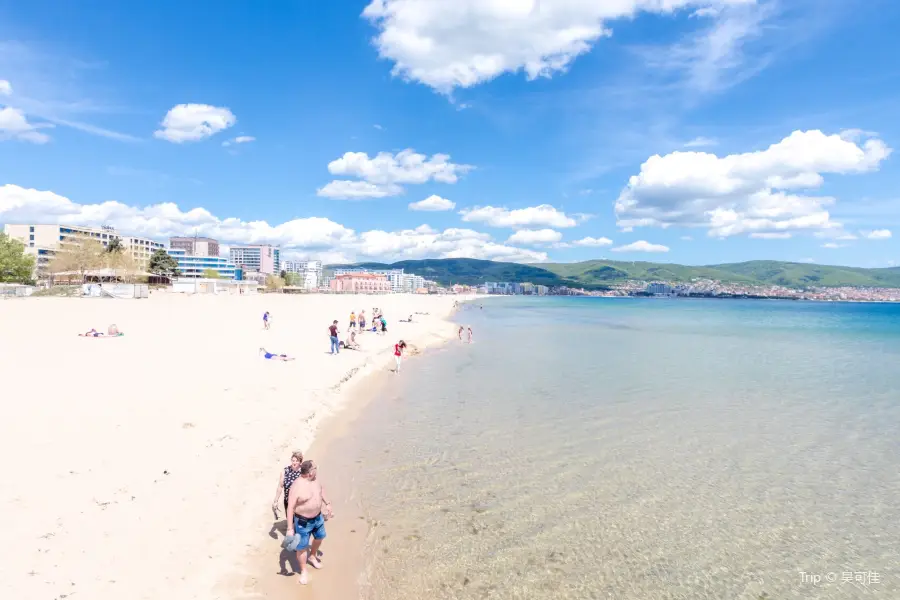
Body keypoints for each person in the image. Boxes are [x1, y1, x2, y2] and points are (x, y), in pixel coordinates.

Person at [285, 461, 330, 585]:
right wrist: (290, 528)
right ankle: (304, 570)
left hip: (318, 518)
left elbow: (321, 490)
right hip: (303, 522)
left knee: (320, 537)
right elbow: (290, 508)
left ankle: (313, 556)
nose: (317, 469)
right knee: (302, 548)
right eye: (315, 468)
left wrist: (328, 503)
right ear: (310, 472)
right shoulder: (297, 486)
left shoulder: (316, 480)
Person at [272, 451, 305, 517]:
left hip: (300, 502)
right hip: (288, 501)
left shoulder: (303, 471)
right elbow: (280, 486)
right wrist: (276, 500)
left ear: (300, 462)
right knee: (290, 522)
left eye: (297, 461)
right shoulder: (285, 471)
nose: (294, 463)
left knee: (300, 524)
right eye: (293, 461)